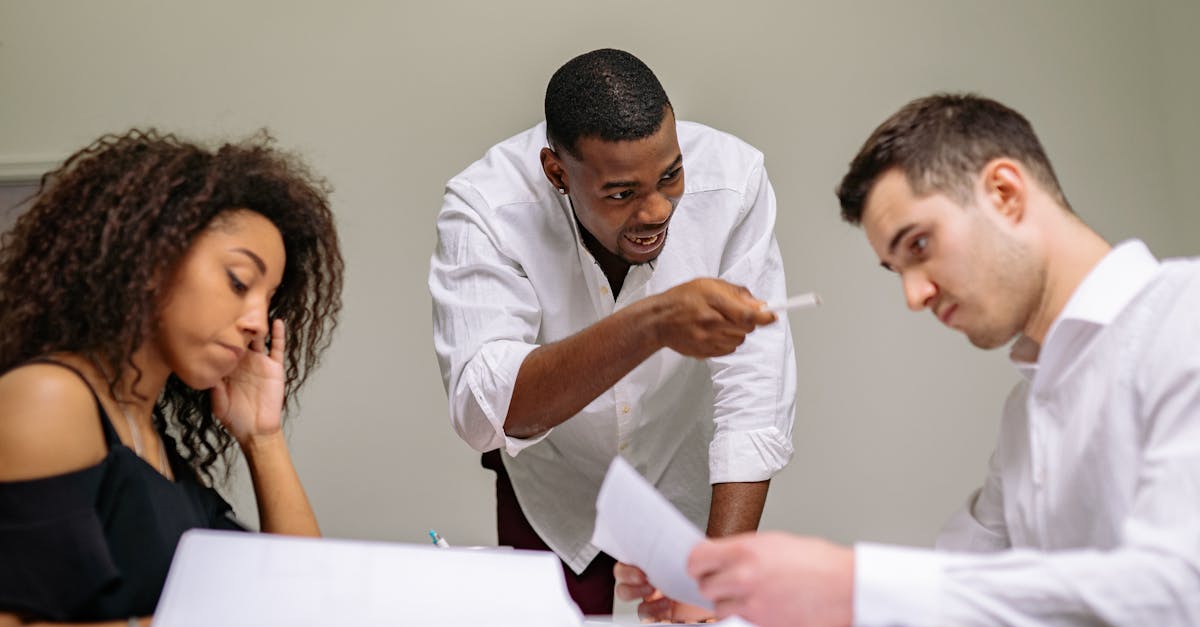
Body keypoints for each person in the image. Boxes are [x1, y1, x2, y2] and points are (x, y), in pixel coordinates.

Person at [675, 93, 1200, 626]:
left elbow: (1177, 591)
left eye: (920, 244)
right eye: (895, 269)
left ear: (1004, 193)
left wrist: (848, 583)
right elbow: (955, 589)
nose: (914, 295)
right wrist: (733, 588)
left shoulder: (1187, 318)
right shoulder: (1027, 414)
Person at [429, 48, 797, 617]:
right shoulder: (487, 207)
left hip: (686, 467)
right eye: (622, 193)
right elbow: (483, 414)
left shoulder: (733, 181)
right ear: (557, 172)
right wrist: (652, 323)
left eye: (670, 176)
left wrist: (717, 579)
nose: (655, 211)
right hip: (554, 489)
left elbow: (755, 392)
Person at [0, 129, 344, 626]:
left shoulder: (153, 445)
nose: (256, 321)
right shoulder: (51, 399)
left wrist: (263, 438)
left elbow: (301, 592)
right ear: (151, 258)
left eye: (268, 301)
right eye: (239, 281)